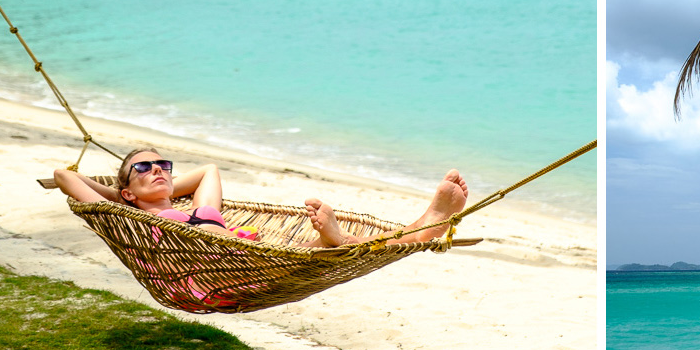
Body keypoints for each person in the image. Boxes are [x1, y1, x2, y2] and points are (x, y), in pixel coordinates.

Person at [54, 147, 469, 247]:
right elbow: (64, 176)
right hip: (208, 268)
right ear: (127, 189)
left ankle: (426, 223)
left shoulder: (202, 211)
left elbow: (208, 172)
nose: (158, 170)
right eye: (144, 168)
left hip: (237, 246)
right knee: (330, 249)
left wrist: (145, 187)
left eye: (164, 164)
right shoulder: (132, 218)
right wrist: (120, 198)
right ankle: (428, 222)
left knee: (319, 250)